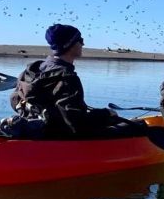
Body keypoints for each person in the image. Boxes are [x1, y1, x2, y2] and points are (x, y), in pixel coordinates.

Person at [10, 24, 144, 138]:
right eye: (80, 40)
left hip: (40, 129)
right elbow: (77, 126)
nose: (83, 44)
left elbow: (14, 101)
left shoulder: (33, 70)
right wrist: (105, 114)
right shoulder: (67, 78)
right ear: (71, 45)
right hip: (62, 136)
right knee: (139, 127)